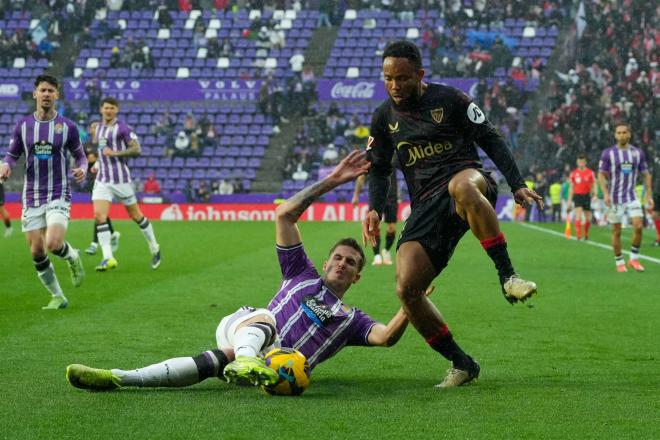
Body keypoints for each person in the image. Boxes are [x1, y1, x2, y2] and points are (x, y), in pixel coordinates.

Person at [65, 150, 430, 391]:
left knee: (211, 362)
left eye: (351, 263)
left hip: (278, 372)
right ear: (324, 263)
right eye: (337, 257)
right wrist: (333, 181)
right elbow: (284, 214)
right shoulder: (300, 273)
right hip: (247, 332)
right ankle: (247, 359)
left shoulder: (350, 319)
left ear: (357, 277)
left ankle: (119, 378)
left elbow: (385, 337)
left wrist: (411, 302)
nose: (342, 264)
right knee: (264, 318)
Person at [362, 41, 542, 387]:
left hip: (468, 182)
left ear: (419, 74)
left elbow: (491, 138)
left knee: (461, 187)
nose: (395, 85)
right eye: (388, 78)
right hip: (426, 206)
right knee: (407, 289)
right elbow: (379, 168)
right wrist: (374, 207)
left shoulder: (452, 100)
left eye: (402, 78)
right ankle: (462, 363)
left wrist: (516, 184)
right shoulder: (384, 117)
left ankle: (508, 277)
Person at [0, 74, 87, 310]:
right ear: (35, 94)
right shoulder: (24, 125)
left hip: (58, 191)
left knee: (52, 242)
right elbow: (12, 154)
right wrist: (5, 165)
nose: (46, 94)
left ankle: (72, 256)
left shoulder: (67, 126)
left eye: (51, 90)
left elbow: (80, 156)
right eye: (43, 90)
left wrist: (82, 168)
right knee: (37, 251)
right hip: (31, 196)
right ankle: (58, 296)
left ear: (57, 95)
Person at [91, 97, 161, 272]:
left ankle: (154, 246)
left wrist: (115, 154)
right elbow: (102, 150)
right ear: (101, 109)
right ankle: (108, 258)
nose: (109, 111)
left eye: (112, 108)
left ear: (117, 110)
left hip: (121, 180)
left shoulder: (123, 128)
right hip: (102, 180)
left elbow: (137, 149)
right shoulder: (96, 128)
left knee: (136, 215)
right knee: (100, 216)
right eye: (106, 108)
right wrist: (98, 164)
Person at [597, 122, 653, 272]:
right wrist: (606, 193)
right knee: (616, 231)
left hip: (631, 196)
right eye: (619, 132)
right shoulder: (608, 153)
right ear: (615, 135)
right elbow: (601, 175)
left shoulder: (637, 153)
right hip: (615, 198)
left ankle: (634, 259)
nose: (621, 135)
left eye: (624, 132)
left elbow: (646, 174)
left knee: (639, 226)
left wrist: (648, 194)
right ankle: (619, 262)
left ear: (629, 134)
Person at [352, 155, 398, 266]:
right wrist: (356, 195)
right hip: (377, 198)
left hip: (392, 198)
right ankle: (377, 255)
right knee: (374, 227)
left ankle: (385, 250)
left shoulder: (394, 157)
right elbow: (361, 177)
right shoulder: (372, 159)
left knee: (391, 228)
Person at [568, 154, 597, 240]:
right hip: (577, 196)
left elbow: (593, 184)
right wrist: (569, 200)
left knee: (588, 218)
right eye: (579, 162)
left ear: (585, 163)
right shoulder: (573, 173)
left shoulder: (590, 173)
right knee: (578, 215)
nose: (580, 163)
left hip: (587, 196)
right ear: (577, 162)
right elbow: (571, 187)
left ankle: (586, 234)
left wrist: (595, 195)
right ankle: (578, 234)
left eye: (582, 162)